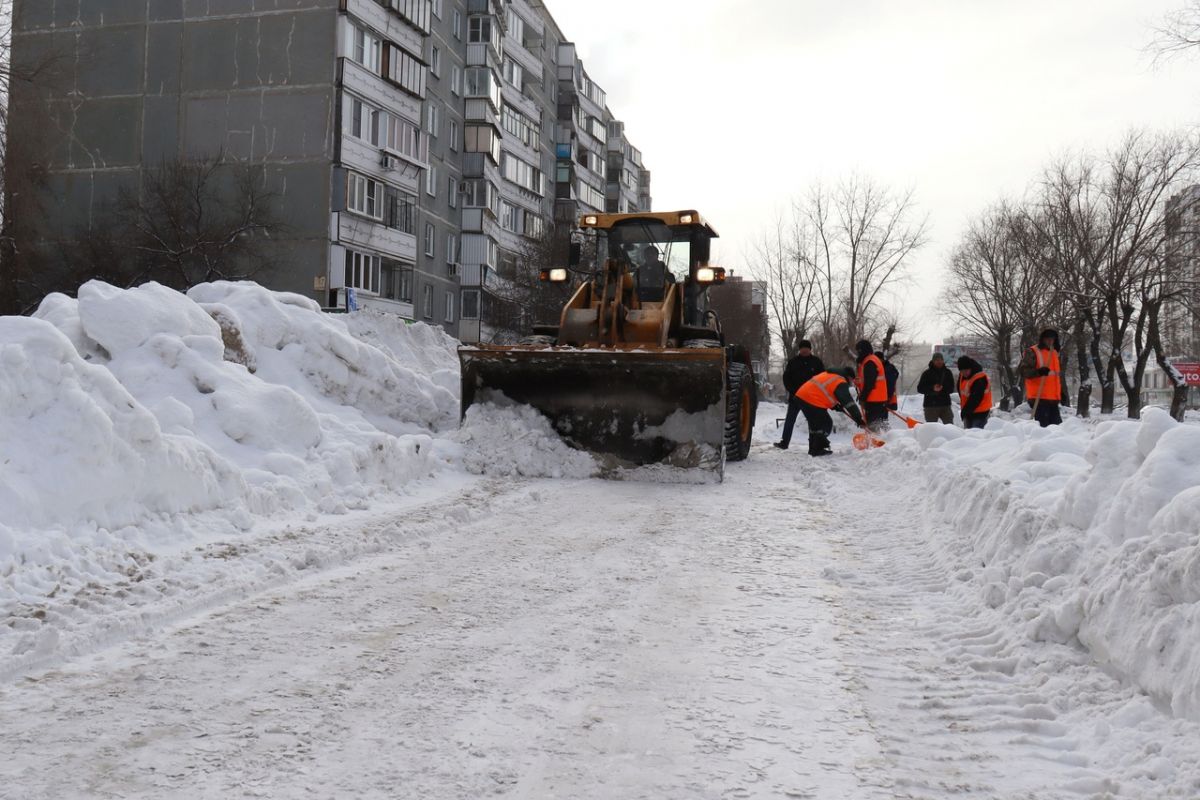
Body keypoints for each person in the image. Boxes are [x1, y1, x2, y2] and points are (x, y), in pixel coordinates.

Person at [794, 367, 865, 456]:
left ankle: (813, 449)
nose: (851, 382)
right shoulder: (840, 381)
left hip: (801, 397)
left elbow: (825, 391)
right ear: (848, 376)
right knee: (826, 423)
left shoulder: (829, 375)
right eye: (851, 379)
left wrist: (834, 405)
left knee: (815, 425)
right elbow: (848, 402)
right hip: (811, 400)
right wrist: (858, 418)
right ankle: (818, 448)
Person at [775, 340, 825, 450]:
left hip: (811, 398)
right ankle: (784, 442)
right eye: (802, 348)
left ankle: (813, 444)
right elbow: (786, 378)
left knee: (813, 421)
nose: (804, 350)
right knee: (790, 419)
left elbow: (822, 378)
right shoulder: (793, 362)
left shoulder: (817, 362)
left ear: (810, 349)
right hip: (795, 397)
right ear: (799, 349)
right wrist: (792, 391)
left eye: (806, 348)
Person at [1019, 329, 1063, 427]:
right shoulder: (1033, 352)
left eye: (1053, 339)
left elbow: (1055, 377)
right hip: (1039, 398)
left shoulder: (1054, 353)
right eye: (1047, 339)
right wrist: (1039, 372)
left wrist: (1061, 393)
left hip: (1052, 398)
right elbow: (1023, 371)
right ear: (1042, 339)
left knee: (1057, 429)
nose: (1050, 341)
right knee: (1044, 429)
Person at [854, 340, 890, 431]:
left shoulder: (870, 362)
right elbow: (867, 381)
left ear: (862, 350)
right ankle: (881, 442)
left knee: (874, 428)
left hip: (874, 400)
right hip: (877, 399)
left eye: (858, 351)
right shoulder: (870, 360)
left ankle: (877, 443)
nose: (857, 353)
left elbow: (869, 383)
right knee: (878, 426)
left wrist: (863, 397)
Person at [917, 353, 955, 424]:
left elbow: (951, 388)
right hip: (930, 406)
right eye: (937, 360)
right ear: (933, 361)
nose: (939, 362)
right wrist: (932, 388)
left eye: (941, 360)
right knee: (931, 428)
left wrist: (943, 388)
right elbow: (920, 388)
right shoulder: (926, 373)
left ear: (943, 361)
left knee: (950, 427)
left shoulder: (948, 373)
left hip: (945, 405)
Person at [956, 356, 993, 429]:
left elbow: (976, 398)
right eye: (962, 371)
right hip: (969, 412)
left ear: (971, 368)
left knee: (976, 435)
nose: (964, 373)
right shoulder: (962, 377)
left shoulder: (979, 378)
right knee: (968, 435)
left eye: (966, 370)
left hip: (981, 412)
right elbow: (961, 391)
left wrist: (965, 411)